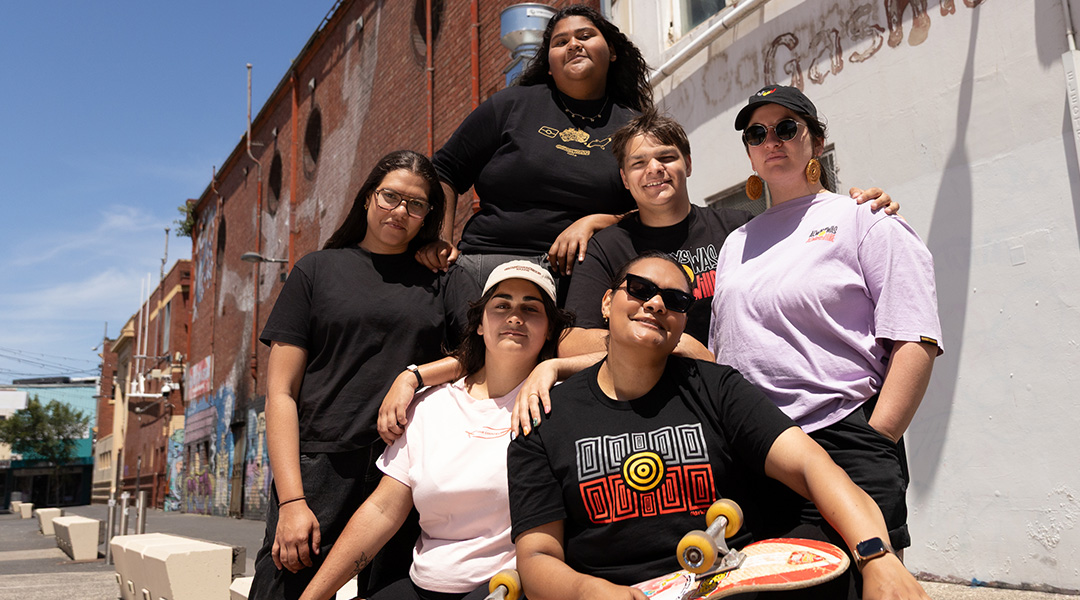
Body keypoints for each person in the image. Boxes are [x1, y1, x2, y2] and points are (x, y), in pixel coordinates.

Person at [508, 253, 930, 600]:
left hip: (727, 586)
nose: (656, 303)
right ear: (605, 303)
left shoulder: (717, 389)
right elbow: (538, 556)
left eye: (675, 300)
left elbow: (812, 467)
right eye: (639, 289)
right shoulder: (544, 416)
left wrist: (876, 556)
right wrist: (589, 593)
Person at [708, 85, 942, 557]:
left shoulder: (865, 217)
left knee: (865, 584)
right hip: (756, 451)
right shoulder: (735, 243)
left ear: (815, 141)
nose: (771, 140)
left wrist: (877, 439)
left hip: (841, 438)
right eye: (757, 134)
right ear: (750, 155)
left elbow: (916, 336)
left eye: (786, 128)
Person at [250, 150, 474, 600]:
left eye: (416, 205)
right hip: (320, 466)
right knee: (284, 590)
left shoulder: (443, 278)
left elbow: (477, 354)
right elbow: (280, 393)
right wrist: (292, 500)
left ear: (429, 215)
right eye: (391, 196)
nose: (400, 212)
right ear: (369, 196)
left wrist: (414, 375)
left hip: (404, 467)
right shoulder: (316, 271)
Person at [297, 261, 573, 600]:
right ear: (481, 325)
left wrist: (555, 366)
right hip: (422, 586)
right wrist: (314, 597)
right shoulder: (429, 406)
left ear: (549, 330)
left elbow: (632, 356)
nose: (515, 316)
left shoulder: (558, 403)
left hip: (506, 588)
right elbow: (382, 511)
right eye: (501, 305)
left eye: (531, 309)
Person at [559, 109, 899, 363]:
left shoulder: (739, 230)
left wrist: (859, 208)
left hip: (734, 396)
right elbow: (571, 341)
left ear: (688, 164)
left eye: (667, 157)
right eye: (638, 163)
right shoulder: (607, 246)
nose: (654, 169)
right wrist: (672, 344)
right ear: (624, 177)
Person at [421, 5, 651, 293]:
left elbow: (656, 206)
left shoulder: (634, 126)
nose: (574, 45)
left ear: (612, 52)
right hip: (490, 266)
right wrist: (440, 238)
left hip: (585, 274)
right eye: (561, 42)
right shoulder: (511, 105)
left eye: (585, 35)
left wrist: (595, 222)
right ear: (549, 66)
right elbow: (444, 170)